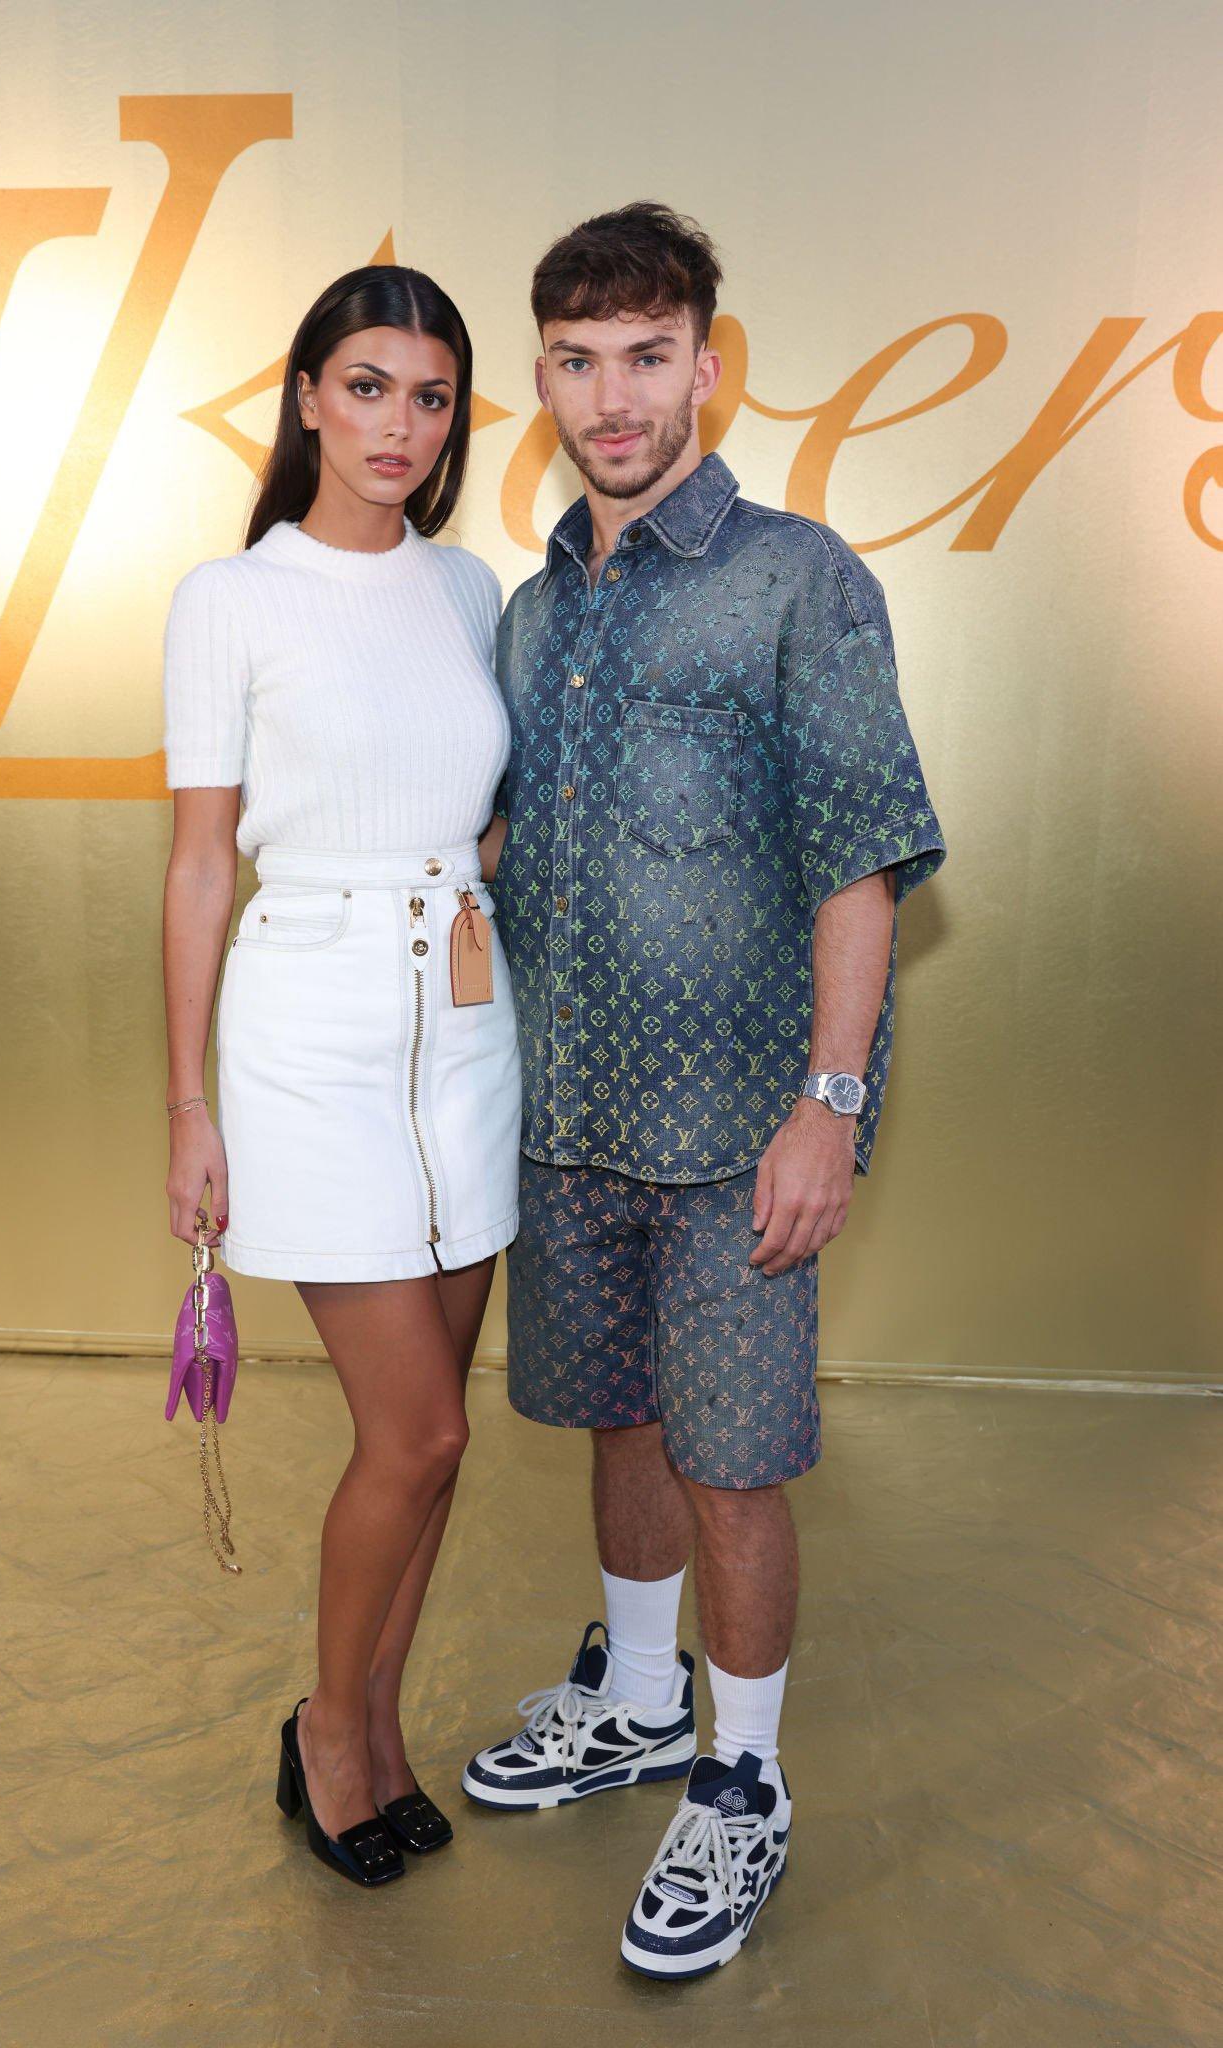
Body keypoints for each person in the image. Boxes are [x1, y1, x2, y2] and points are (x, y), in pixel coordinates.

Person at [462, 203, 946, 1978]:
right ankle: (643, 1698)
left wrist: (827, 1102)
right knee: (620, 1427)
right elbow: (515, 844)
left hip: (740, 1137)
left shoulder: (797, 579)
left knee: (736, 1465)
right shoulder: (527, 613)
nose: (613, 396)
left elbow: (858, 868)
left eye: (646, 355)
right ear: (542, 381)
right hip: (568, 1120)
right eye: (579, 363)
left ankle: (738, 1786)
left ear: (708, 368)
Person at [161, 264, 520, 1890]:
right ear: (306, 393)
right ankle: (324, 1727)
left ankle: (376, 1724)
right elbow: (193, 868)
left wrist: (460, 882)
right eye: (367, 385)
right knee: (422, 1431)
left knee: (437, 1435)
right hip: (306, 1029)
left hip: (465, 1019)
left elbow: (477, 797)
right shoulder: (229, 599)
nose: (399, 423)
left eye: (431, 395)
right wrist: (188, 1104)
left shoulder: (469, 591)